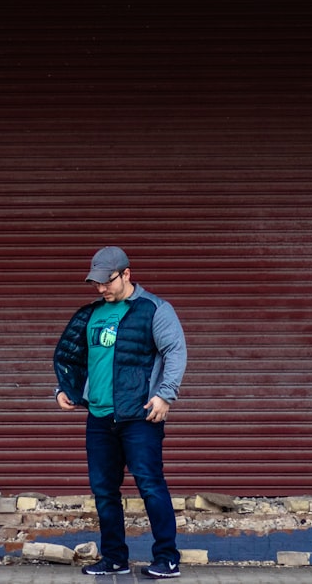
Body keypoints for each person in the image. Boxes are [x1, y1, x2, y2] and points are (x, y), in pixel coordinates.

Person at [53, 246, 187, 579]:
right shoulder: (90, 314)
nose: (101, 289)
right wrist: (63, 390)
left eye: (107, 282)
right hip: (99, 417)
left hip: (139, 416)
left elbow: (175, 351)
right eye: (96, 283)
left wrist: (165, 396)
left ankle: (167, 559)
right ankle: (114, 558)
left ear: (126, 274)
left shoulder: (154, 309)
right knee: (104, 491)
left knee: (151, 486)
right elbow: (74, 358)